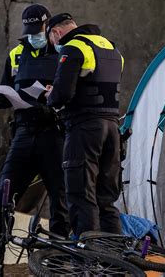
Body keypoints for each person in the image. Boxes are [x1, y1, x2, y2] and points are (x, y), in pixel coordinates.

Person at [0, 4, 69, 275]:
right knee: (3, 196)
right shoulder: (16, 54)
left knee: (61, 200)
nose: (33, 35)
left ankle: (56, 264)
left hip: (52, 134)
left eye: (38, 30)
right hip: (23, 133)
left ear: (48, 28)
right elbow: (5, 89)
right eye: (30, 31)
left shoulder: (62, 52)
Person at [45, 13, 124, 239]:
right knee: (106, 200)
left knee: (81, 196)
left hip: (85, 129)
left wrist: (50, 95)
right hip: (112, 129)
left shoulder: (73, 48)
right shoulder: (112, 48)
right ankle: (116, 262)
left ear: (56, 33)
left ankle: (88, 264)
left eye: (51, 39)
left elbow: (62, 95)